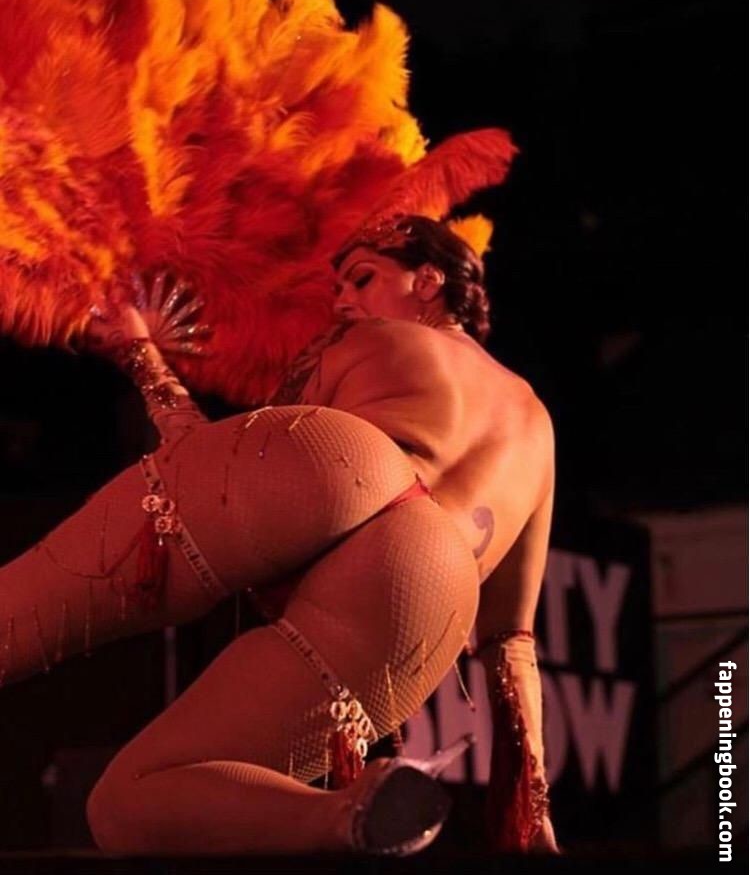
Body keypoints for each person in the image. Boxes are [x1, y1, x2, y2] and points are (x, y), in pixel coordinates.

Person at [0, 214, 558, 855]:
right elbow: (511, 643)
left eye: (363, 279)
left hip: (351, 466)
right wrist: (532, 810)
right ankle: (350, 812)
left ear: (429, 280)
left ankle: (356, 813)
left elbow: (213, 459)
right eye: (339, 289)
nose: (342, 302)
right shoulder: (536, 424)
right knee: (129, 801)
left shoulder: (371, 341)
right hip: (433, 584)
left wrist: (142, 357)